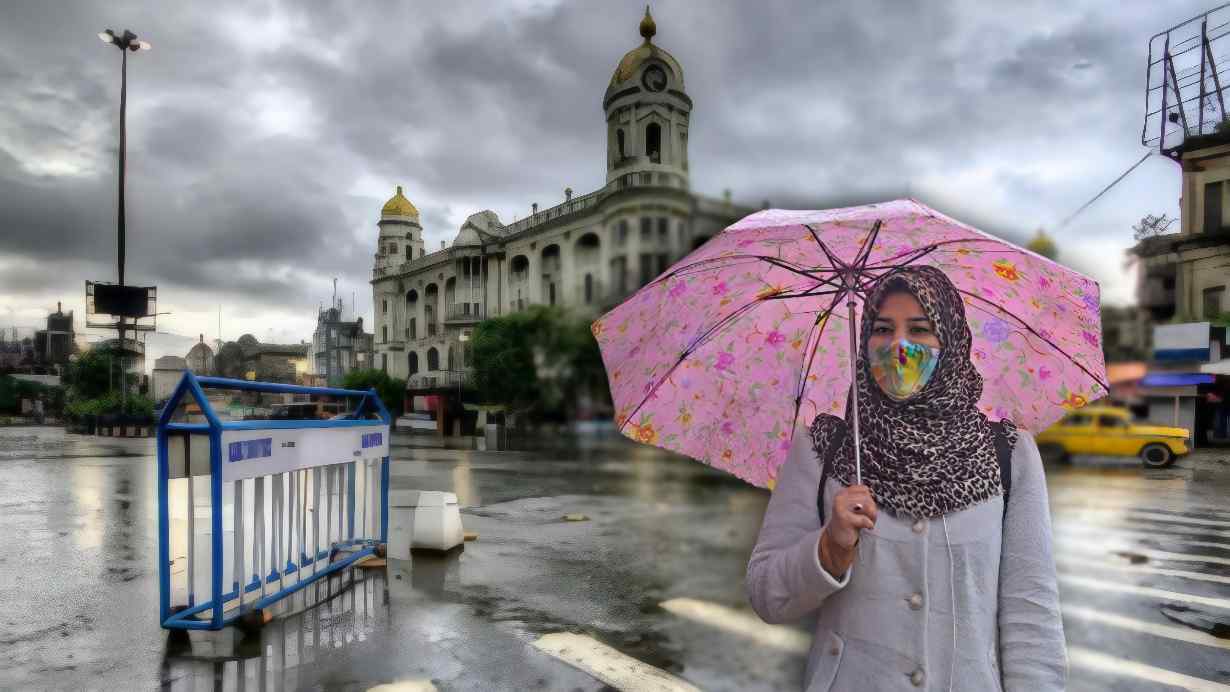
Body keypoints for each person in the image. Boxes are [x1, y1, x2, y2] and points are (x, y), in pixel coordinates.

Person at [745, 265, 1066, 691]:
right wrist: (829, 549)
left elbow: (1032, 616)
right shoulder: (824, 448)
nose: (898, 346)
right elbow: (767, 594)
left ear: (949, 341)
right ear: (863, 342)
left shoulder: (1008, 453)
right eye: (881, 329)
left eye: (919, 330)